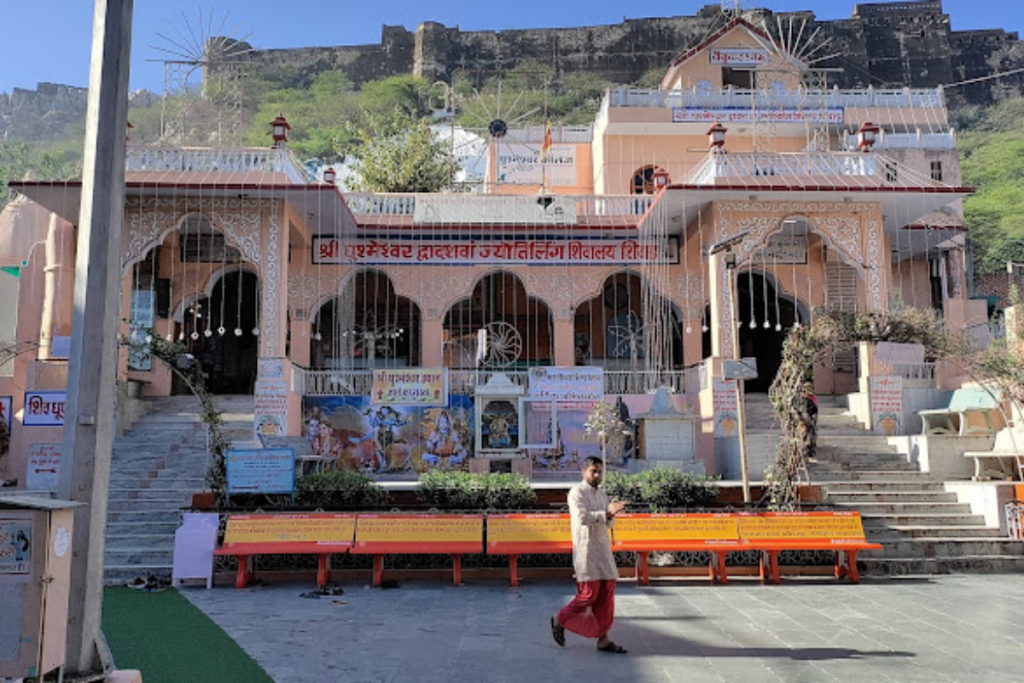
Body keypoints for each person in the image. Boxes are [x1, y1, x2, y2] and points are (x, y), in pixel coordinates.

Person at [551, 456, 628, 654]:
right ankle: (559, 619)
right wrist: (606, 513)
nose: (597, 475)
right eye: (593, 471)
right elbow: (582, 518)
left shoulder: (602, 493)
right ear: (584, 472)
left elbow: (608, 523)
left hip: (602, 548)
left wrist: (612, 514)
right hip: (586, 550)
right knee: (588, 594)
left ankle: (603, 639)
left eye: (600, 472)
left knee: (606, 594)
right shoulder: (577, 493)